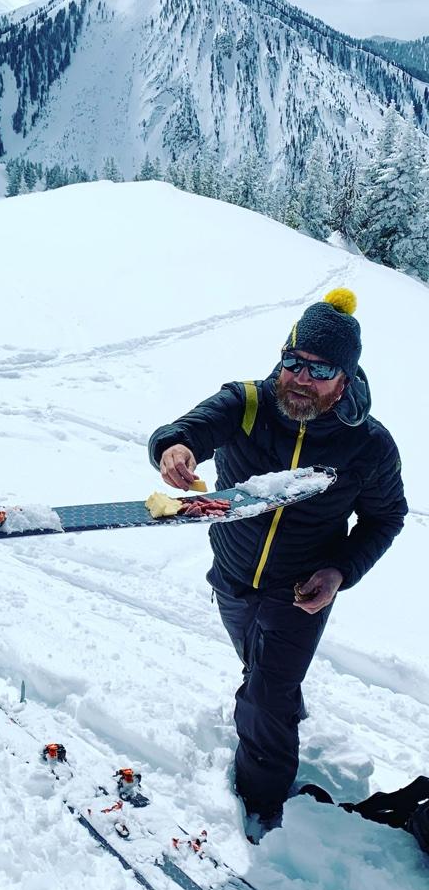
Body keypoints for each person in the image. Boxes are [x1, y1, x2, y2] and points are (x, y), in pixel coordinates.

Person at [147, 289, 406, 839]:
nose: (299, 377)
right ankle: (282, 704)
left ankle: (263, 809)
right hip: (233, 576)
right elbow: (185, 430)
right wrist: (174, 449)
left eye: (320, 369)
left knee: (264, 697)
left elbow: (386, 518)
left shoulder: (369, 446)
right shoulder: (246, 403)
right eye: (293, 361)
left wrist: (339, 572)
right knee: (258, 670)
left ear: (346, 378)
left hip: (301, 593)